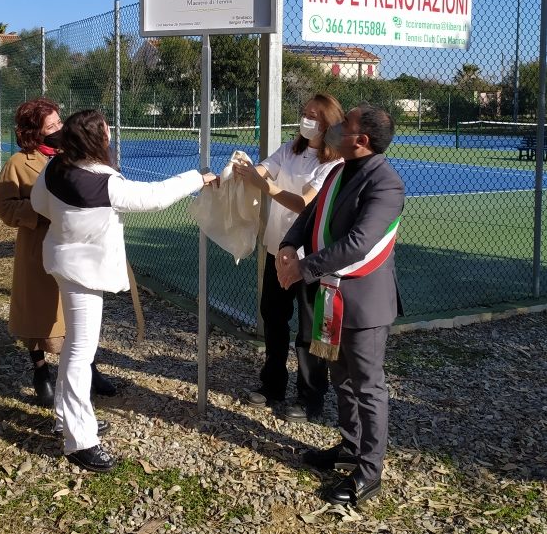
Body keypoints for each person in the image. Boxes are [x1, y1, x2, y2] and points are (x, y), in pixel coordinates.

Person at [31, 109, 218, 473]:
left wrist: (72, 225)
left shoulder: (55, 167)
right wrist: (199, 177)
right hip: (84, 274)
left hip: (64, 263)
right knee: (80, 352)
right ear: (95, 139)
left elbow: (40, 204)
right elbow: (155, 196)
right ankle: (79, 441)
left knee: (75, 348)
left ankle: (66, 419)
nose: (110, 135)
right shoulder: (103, 183)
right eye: (105, 131)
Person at [276, 105, 405, 507]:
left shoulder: (386, 184)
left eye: (344, 124)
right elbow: (310, 214)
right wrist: (288, 245)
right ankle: (350, 447)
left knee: (367, 386)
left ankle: (369, 471)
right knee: (342, 378)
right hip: (331, 294)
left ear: (361, 140)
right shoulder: (337, 171)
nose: (334, 127)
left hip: (363, 303)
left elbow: (358, 244)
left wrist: (302, 269)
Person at [0, 99, 116, 408]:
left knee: (78, 316)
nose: (59, 129)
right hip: (37, 248)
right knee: (36, 313)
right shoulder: (18, 164)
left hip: (75, 248)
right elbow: (3, 206)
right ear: (34, 132)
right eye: (51, 126)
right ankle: (41, 373)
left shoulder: (73, 155)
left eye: (60, 122)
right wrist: (42, 211)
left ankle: (89, 368)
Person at [233, 93, 344, 422]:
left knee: (310, 328)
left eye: (315, 116)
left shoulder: (333, 164)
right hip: (277, 248)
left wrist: (264, 186)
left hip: (310, 258)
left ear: (329, 123)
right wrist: (240, 172)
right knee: (273, 316)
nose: (306, 120)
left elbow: (304, 204)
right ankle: (272, 385)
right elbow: (264, 169)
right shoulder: (291, 149)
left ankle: (310, 397)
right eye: (305, 113)